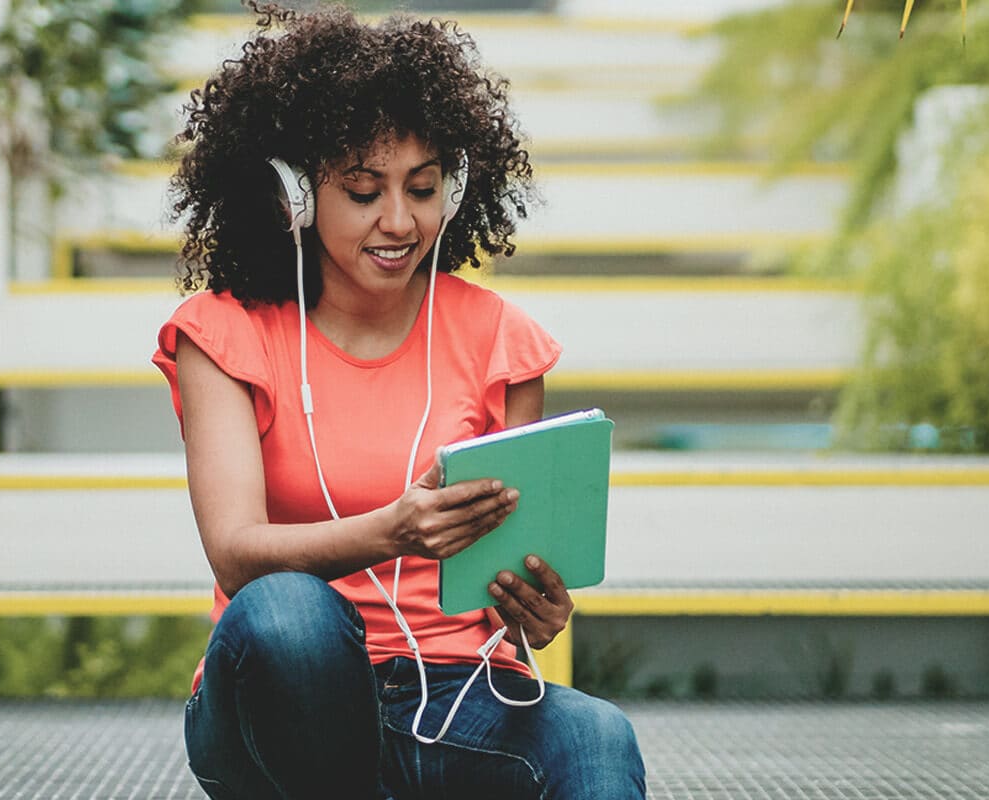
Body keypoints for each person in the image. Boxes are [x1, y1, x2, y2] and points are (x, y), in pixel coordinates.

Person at [152, 5, 646, 798]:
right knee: (286, 614)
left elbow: (505, 587)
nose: (398, 221)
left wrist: (533, 613)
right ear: (296, 197)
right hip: (279, 707)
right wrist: (391, 532)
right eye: (362, 190)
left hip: (457, 695)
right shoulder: (224, 333)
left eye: (422, 189)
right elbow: (236, 554)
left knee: (597, 736)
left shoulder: (499, 340)